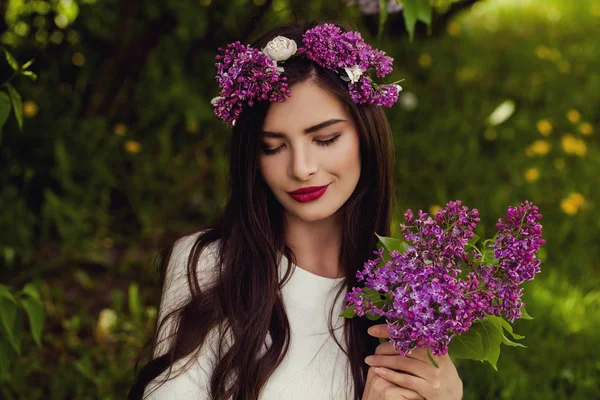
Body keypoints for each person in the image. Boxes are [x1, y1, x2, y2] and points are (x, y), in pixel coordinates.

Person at [128, 20, 463, 400]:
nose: (301, 168)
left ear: (367, 136)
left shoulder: (410, 290)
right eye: (273, 147)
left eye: (325, 139)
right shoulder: (207, 265)